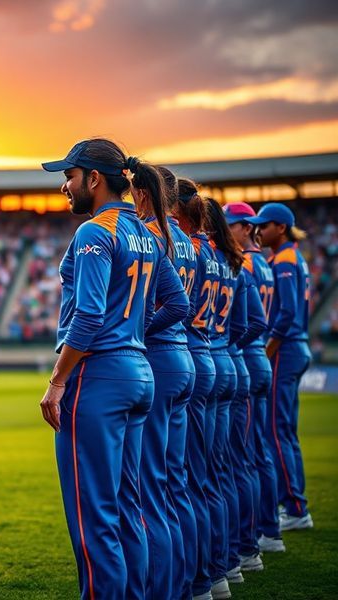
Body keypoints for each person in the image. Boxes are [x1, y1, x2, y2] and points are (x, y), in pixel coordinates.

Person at [40, 138, 187, 600]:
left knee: (93, 516)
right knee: (129, 509)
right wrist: (134, 333)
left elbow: (87, 315)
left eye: (69, 176)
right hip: (139, 373)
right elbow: (177, 302)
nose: (65, 186)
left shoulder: (94, 232)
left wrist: (57, 381)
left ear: (94, 179)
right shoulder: (149, 231)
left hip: (99, 379)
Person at [140, 166, 198, 600]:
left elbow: (176, 304)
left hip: (161, 356)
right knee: (177, 482)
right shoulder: (189, 242)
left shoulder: (152, 234)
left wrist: (139, 329)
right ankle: (198, 582)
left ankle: (166, 589)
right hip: (189, 356)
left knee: (153, 486)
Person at [247, 203, 313, 532]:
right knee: (283, 430)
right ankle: (294, 503)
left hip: (285, 350)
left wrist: (268, 349)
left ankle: (296, 507)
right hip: (296, 347)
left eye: (265, 225)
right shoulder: (291, 256)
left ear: (281, 228)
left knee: (276, 430)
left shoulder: (285, 259)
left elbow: (286, 312)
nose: (259, 230)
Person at [172, 179, 219, 600]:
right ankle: (211, 574)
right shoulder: (206, 250)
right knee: (203, 477)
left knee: (175, 483)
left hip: (178, 353)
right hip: (206, 354)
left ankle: (192, 581)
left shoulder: (170, 241)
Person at [224, 202, 276, 569]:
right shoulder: (264, 264)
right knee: (257, 452)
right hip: (253, 359)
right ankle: (264, 531)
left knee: (239, 459)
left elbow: (252, 323)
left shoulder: (244, 263)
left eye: (229, 225)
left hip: (241, 357)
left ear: (244, 227)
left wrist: (229, 346)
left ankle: (251, 541)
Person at [204, 197, 247, 598]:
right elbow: (245, 326)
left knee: (185, 481)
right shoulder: (232, 262)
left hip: (191, 357)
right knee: (221, 472)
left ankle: (202, 578)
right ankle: (229, 563)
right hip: (226, 358)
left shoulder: (196, 252)